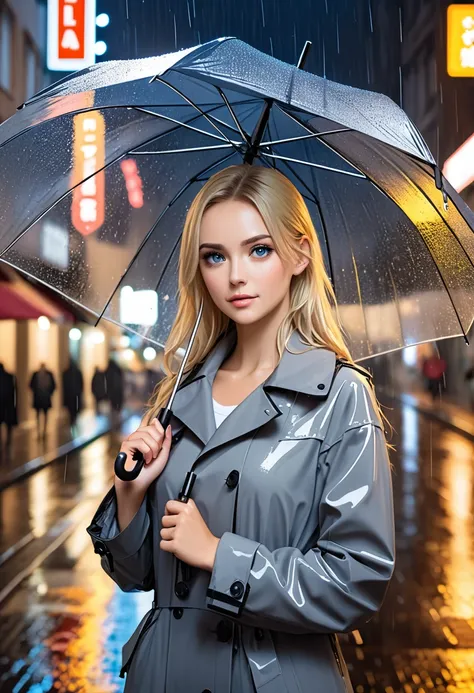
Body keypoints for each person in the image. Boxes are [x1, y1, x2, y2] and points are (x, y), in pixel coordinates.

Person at [87, 165, 395, 693]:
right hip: (166, 675)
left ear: (299, 254)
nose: (235, 276)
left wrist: (220, 555)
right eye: (215, 256)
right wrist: (131, 496)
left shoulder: (340, 396)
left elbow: (356, 580)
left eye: (259, 250)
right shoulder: (178, 397)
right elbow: (138, 577)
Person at [29, 363, 56, 438]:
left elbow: (53, 386)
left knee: (43, 415)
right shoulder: (37, 375)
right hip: (41, 397)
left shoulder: (47, 375)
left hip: (43, 397)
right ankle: (40, 430)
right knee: (41, 415)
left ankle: (43, 430)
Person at [0, 363, 17, 448]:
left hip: (5, 405)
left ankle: (6, 440)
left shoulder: (9, 377)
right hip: (8, 405)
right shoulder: (9, 377)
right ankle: (8, 440)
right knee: (8, 424)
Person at [62, 360, 84, 426]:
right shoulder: (77, 372)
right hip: (74, 395)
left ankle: (72, 421)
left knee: (72, 410)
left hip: (72, 395)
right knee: (73, 410)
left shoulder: (67, 373)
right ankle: (73, 421)